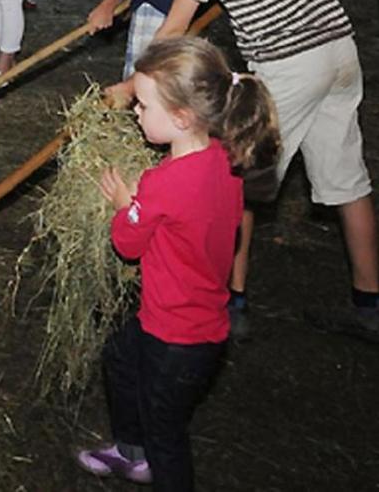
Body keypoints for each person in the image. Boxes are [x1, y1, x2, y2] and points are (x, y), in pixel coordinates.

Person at [118, 0, 379, 345]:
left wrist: (131, 87)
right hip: (340, 52)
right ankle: (370, 303)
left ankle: (231, 301)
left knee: (233, 178)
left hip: (289, 65)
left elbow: (173, 30)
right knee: (347, 182)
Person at [78, 36, 279, 491]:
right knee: (119, 358)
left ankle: (148, 461)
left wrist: (124, 204)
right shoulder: (226, 159)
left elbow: (127, 244)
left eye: (144, 106)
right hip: (198, 319)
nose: (136, 112)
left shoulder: (161, 183)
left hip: (174, 335)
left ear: (182, 117)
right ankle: (130, 452)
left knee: (166, 434)